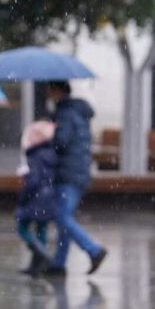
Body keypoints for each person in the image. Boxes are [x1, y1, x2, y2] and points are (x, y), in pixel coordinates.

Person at [45, 81, 108, 276]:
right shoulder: (79, 112)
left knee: (61, 217)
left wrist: (49, 135)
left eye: (50, 91)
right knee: (65, 218)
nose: (48, 95)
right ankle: (59, 263)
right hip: (79, 172)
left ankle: (93, 250)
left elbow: (61, 143)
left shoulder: (66, 114)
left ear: (57, 91)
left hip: (68, 173)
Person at [15, 120, 59, 276]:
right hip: (49, 196)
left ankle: (43, 256)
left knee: (22, 228)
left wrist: (22, 197)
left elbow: (33, 180)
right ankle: (36, 266)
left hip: (36, 197)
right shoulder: (51, 153)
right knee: (41, 229)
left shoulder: (35, 156)